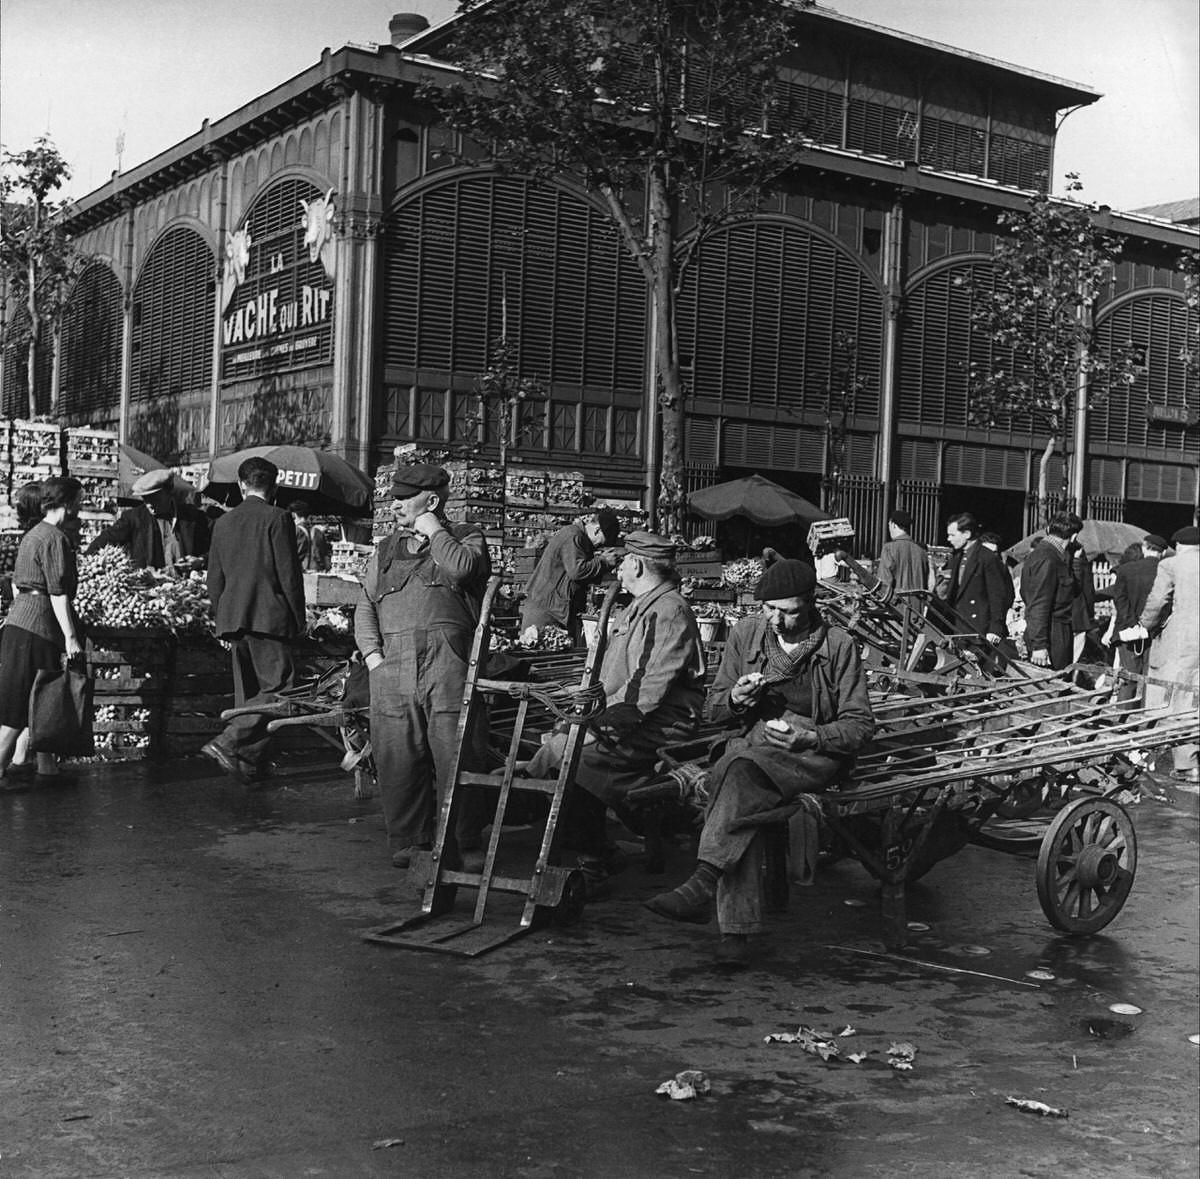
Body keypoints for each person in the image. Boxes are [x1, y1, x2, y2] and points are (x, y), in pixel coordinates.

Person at [644, 557, 875, 963]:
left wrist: (812, 736)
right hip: (748, 745)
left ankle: (712, 897)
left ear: (810, 604)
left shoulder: (837, 645)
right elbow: (714, 709)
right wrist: (735, 699)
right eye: (769, 609)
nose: (777, 621)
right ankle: (729, 926)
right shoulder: (747, 633)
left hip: (808, 755)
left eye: (788, 612)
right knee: (741, 783)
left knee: (737, 774)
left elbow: (859, 725)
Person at [524, 530, 706, 891]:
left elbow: (648, 694)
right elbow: (613, 677)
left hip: (659, 725)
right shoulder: (639, 606)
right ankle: (585, 840)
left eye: (622, 560)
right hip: (630, 716)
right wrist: (578, 707)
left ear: (636, 564)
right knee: (557, 747)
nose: (618, 567)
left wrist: (597, 729)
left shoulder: (668, 611)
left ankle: (597, 857)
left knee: (575, 760)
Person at [354, 464, 491, 870]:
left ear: (430, 501)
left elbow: (463, 569)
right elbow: (365, 605)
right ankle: (409, 840)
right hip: (392, 667)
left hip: (447, 665)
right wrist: (373, 658)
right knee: (397, 756)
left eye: (404, 498)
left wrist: (435, 530)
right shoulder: (385, 549)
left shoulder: (466, 539)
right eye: (394, 497)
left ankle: (462, 838)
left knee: (458, 752)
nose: (395, 505)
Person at [202, 457, 306, 784]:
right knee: (281, 689)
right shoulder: (278, 517)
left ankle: (248, 762)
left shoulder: (223, 522)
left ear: (241, 485)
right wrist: (299, 618)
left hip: (233, 618)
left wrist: (221, 618)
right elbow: (289, 574)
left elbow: (213, 579)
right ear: (274, 486)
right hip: (268, 617)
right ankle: (228, 741)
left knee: (248, 696)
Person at [0, 477, 85, 787]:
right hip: (37, 627)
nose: (81, 507)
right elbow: (58, 593)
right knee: (19, 704)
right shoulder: (54, 538)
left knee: (37, 700)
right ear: (67, 502)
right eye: (79, 500)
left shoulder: (35, 533)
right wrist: (71, 638)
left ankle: (42, 766)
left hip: (23, 624)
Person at [1139, 525, 1199, 784]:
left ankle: (1188, 765)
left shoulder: (1170, 565)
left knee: (1180, 698)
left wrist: (1144, 626)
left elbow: (1157, 601)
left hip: (1182, 641)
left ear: (1179, 545)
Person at [518, 509, 620, 645]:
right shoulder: (574, 536)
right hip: (545, 610)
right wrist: (604, 561)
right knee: (537, 655)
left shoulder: (580, 539)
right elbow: (577, 571)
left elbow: (579, 576)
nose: (600, 547)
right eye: (601, 542)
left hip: (555, 608)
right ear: (596, 530)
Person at [86, 469, 210, 570]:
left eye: (155, 499)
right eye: (146, 499)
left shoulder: (193, 517)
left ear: (169, 492)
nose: (150, 504)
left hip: (187, 590)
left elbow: (216, 547)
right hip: (150, 590)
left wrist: (201, 560)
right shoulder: (134, 518)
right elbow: (104, 540)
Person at [1020, 512, 1083, 669]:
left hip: (1049, 630)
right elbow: (1038, 604)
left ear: (1048, 529)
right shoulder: (1049, 559)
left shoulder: (1048, 554)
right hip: (1051, 633)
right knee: (1052, 686)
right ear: (1074, 536)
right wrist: (1039, 645)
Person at [1108, 534, 1166, 700]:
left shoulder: (1126, 570)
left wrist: (1134, 624)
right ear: (1162, 553)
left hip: (1129, 632)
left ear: (1144, 548)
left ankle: (1122, 720)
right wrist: (1149, 625)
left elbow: (1120, 601)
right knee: (1151, 680)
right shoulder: (1165, 571)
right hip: (1157, 633)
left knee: (1128, 677)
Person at [942, 513, 1010, 651]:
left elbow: (997, 596)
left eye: (952, 535)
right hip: (958, 627)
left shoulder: (987, 558)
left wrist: (995, 628)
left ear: (966, 534)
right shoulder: (957, 556)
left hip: (978, 630)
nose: (949, 539)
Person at [875, 508, 931, 595]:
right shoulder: (922, 551)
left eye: (889, 525)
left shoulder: (889, 548)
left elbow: (884, 582)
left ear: (893, 525)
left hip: (897, 604)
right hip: (918, 605)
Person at [288, 500, 331, 573]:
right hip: (317, 571)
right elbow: (326, 558)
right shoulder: (319, 532)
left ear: (294, 514)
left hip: (300, 572)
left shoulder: (294, 530)